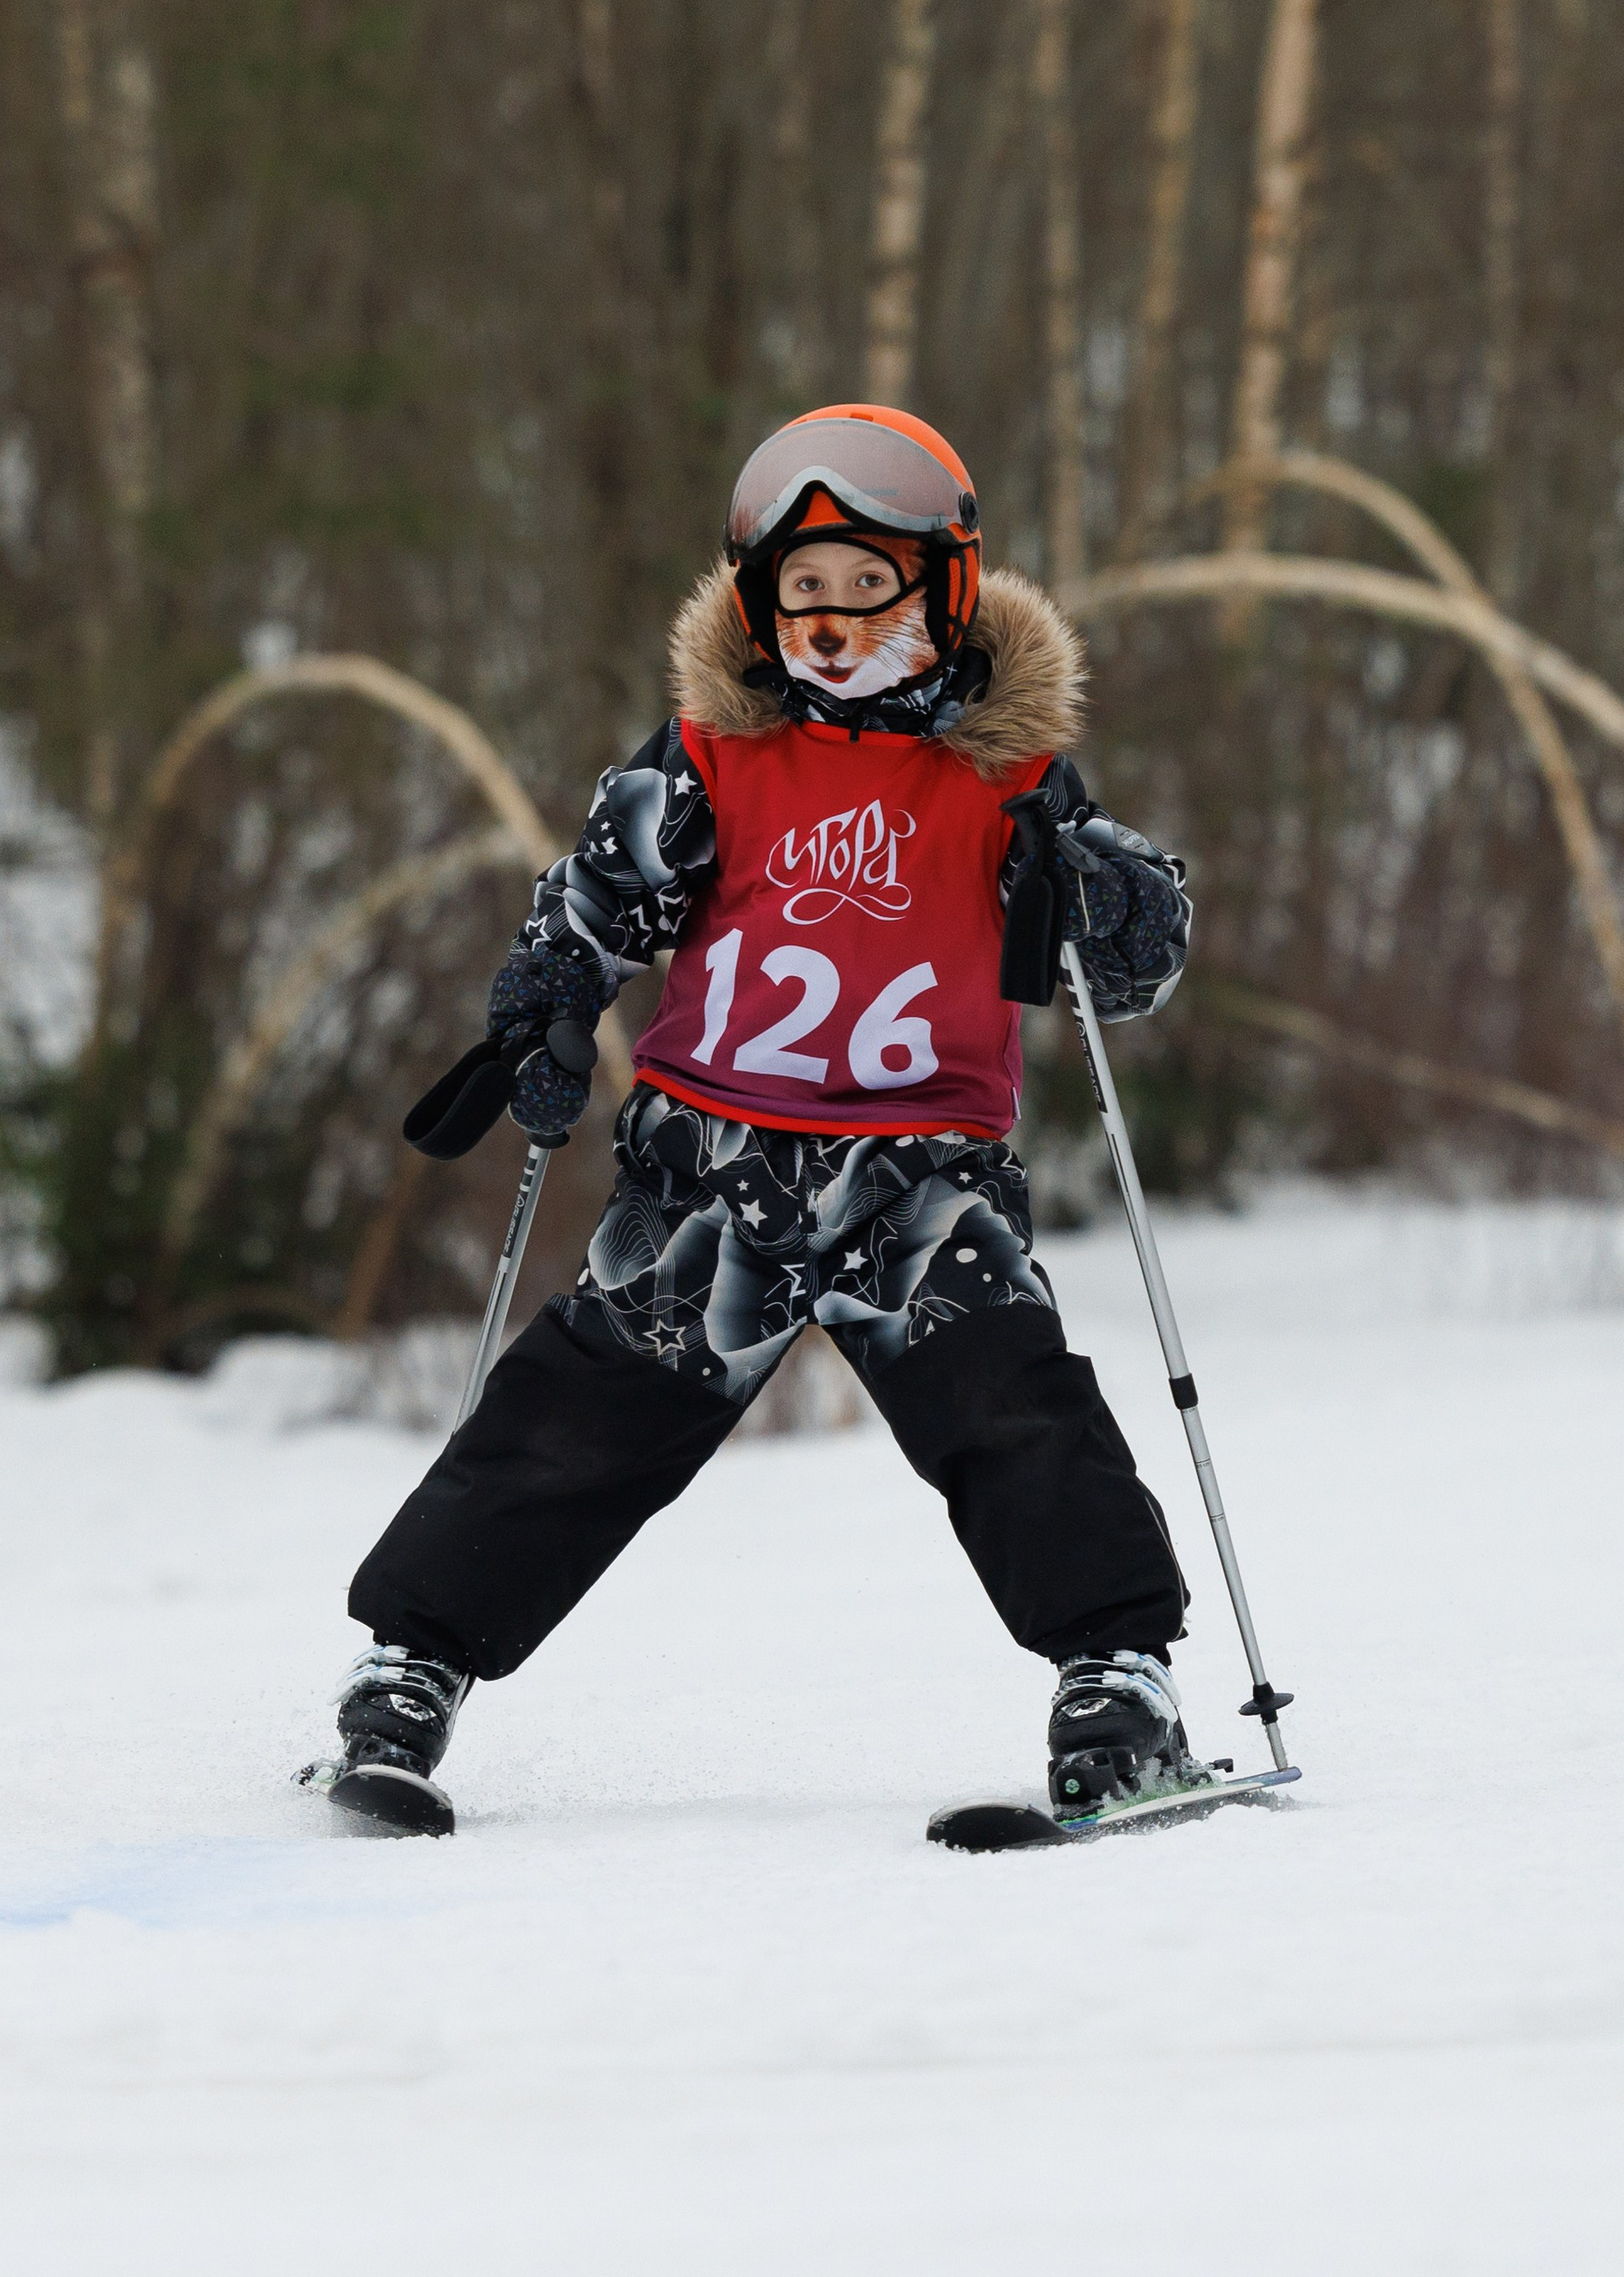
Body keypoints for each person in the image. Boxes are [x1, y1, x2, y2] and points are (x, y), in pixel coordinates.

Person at [315, 405, 1198, 1835]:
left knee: (1011, 1409)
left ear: (945, 589)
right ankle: (411, 1666)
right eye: (803, 591)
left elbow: (1132, 970)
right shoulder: (712, 756)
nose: (833, 624)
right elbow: (599, 902)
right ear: (756, 604)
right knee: (580, 1419)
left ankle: (1119, 1678)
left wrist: (1103, 890)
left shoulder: (1009, 775)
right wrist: (545, 1009)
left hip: (920, 1174)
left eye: (869, 587)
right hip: (713, 1169)